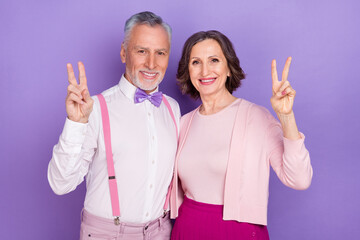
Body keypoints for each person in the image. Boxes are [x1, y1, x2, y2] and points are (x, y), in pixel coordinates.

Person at [48, 11, 180, 240]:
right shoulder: (96, 109)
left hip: (161, 232)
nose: (151, 63)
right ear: (123, 52)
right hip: (106, 234)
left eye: (160, 53)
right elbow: (61, 184)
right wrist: (75, 123)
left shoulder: (173, 108)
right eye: (142, 51)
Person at [169, 30, 313, 239]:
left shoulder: (257, 118)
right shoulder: (183, 123)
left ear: (229, 68)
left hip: (238, 231)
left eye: (214, 60)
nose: (205, 70)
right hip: (187, 229)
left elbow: (300, 180)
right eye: (196, 62)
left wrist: (286, 116)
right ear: (188, 71)